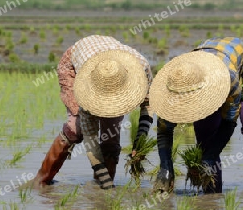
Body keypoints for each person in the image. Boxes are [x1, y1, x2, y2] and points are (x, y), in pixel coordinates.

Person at [148, 37, 243, 195]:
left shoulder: (229, 78)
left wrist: (210, 156)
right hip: (202, 62)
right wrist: (165, 166)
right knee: (205, 129)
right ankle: (211, 192)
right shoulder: (170, 90)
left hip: (242, 63)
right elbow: (164, 131)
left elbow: (229, 122)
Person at [33, 35, 153, 189]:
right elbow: (91, 140)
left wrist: (139, 142)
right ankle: (41, 181)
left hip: (110, 60)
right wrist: (107, 184)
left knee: (111, 133)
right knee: (76, 130)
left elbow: (148, 104)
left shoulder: (141, 68)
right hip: (76, 64)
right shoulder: (87, 88)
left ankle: (100, 185)